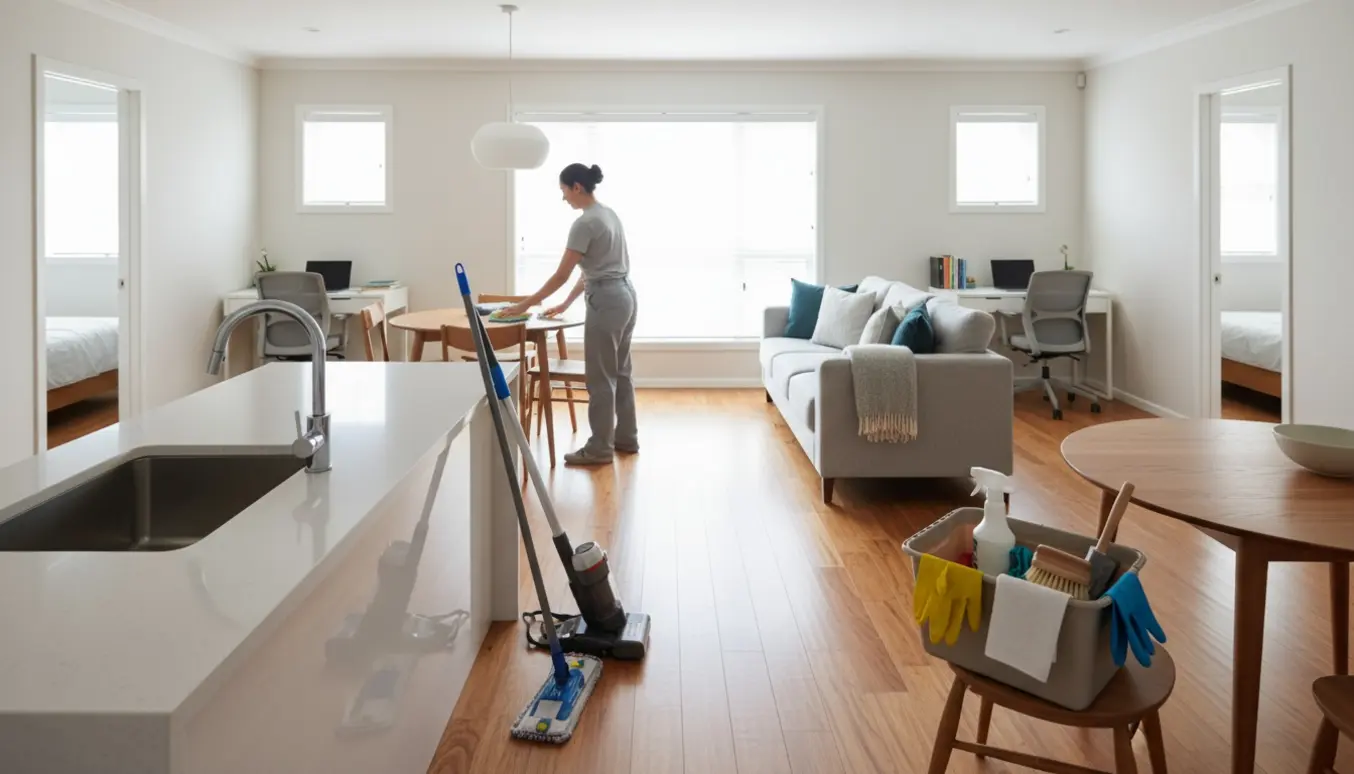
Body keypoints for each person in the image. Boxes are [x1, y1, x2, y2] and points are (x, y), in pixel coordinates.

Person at [501, 163, 638, 466]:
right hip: (625, 295)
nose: (564, 198)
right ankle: (627, 438)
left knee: (600, 377)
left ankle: (600, 448)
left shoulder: (584, 223)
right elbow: (593, 271)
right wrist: (565, 304)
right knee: (621, 371)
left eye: (564, 190)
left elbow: (562, 274)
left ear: (576, 187)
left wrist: (525, 305)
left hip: (606, 301)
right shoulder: (609, 214)